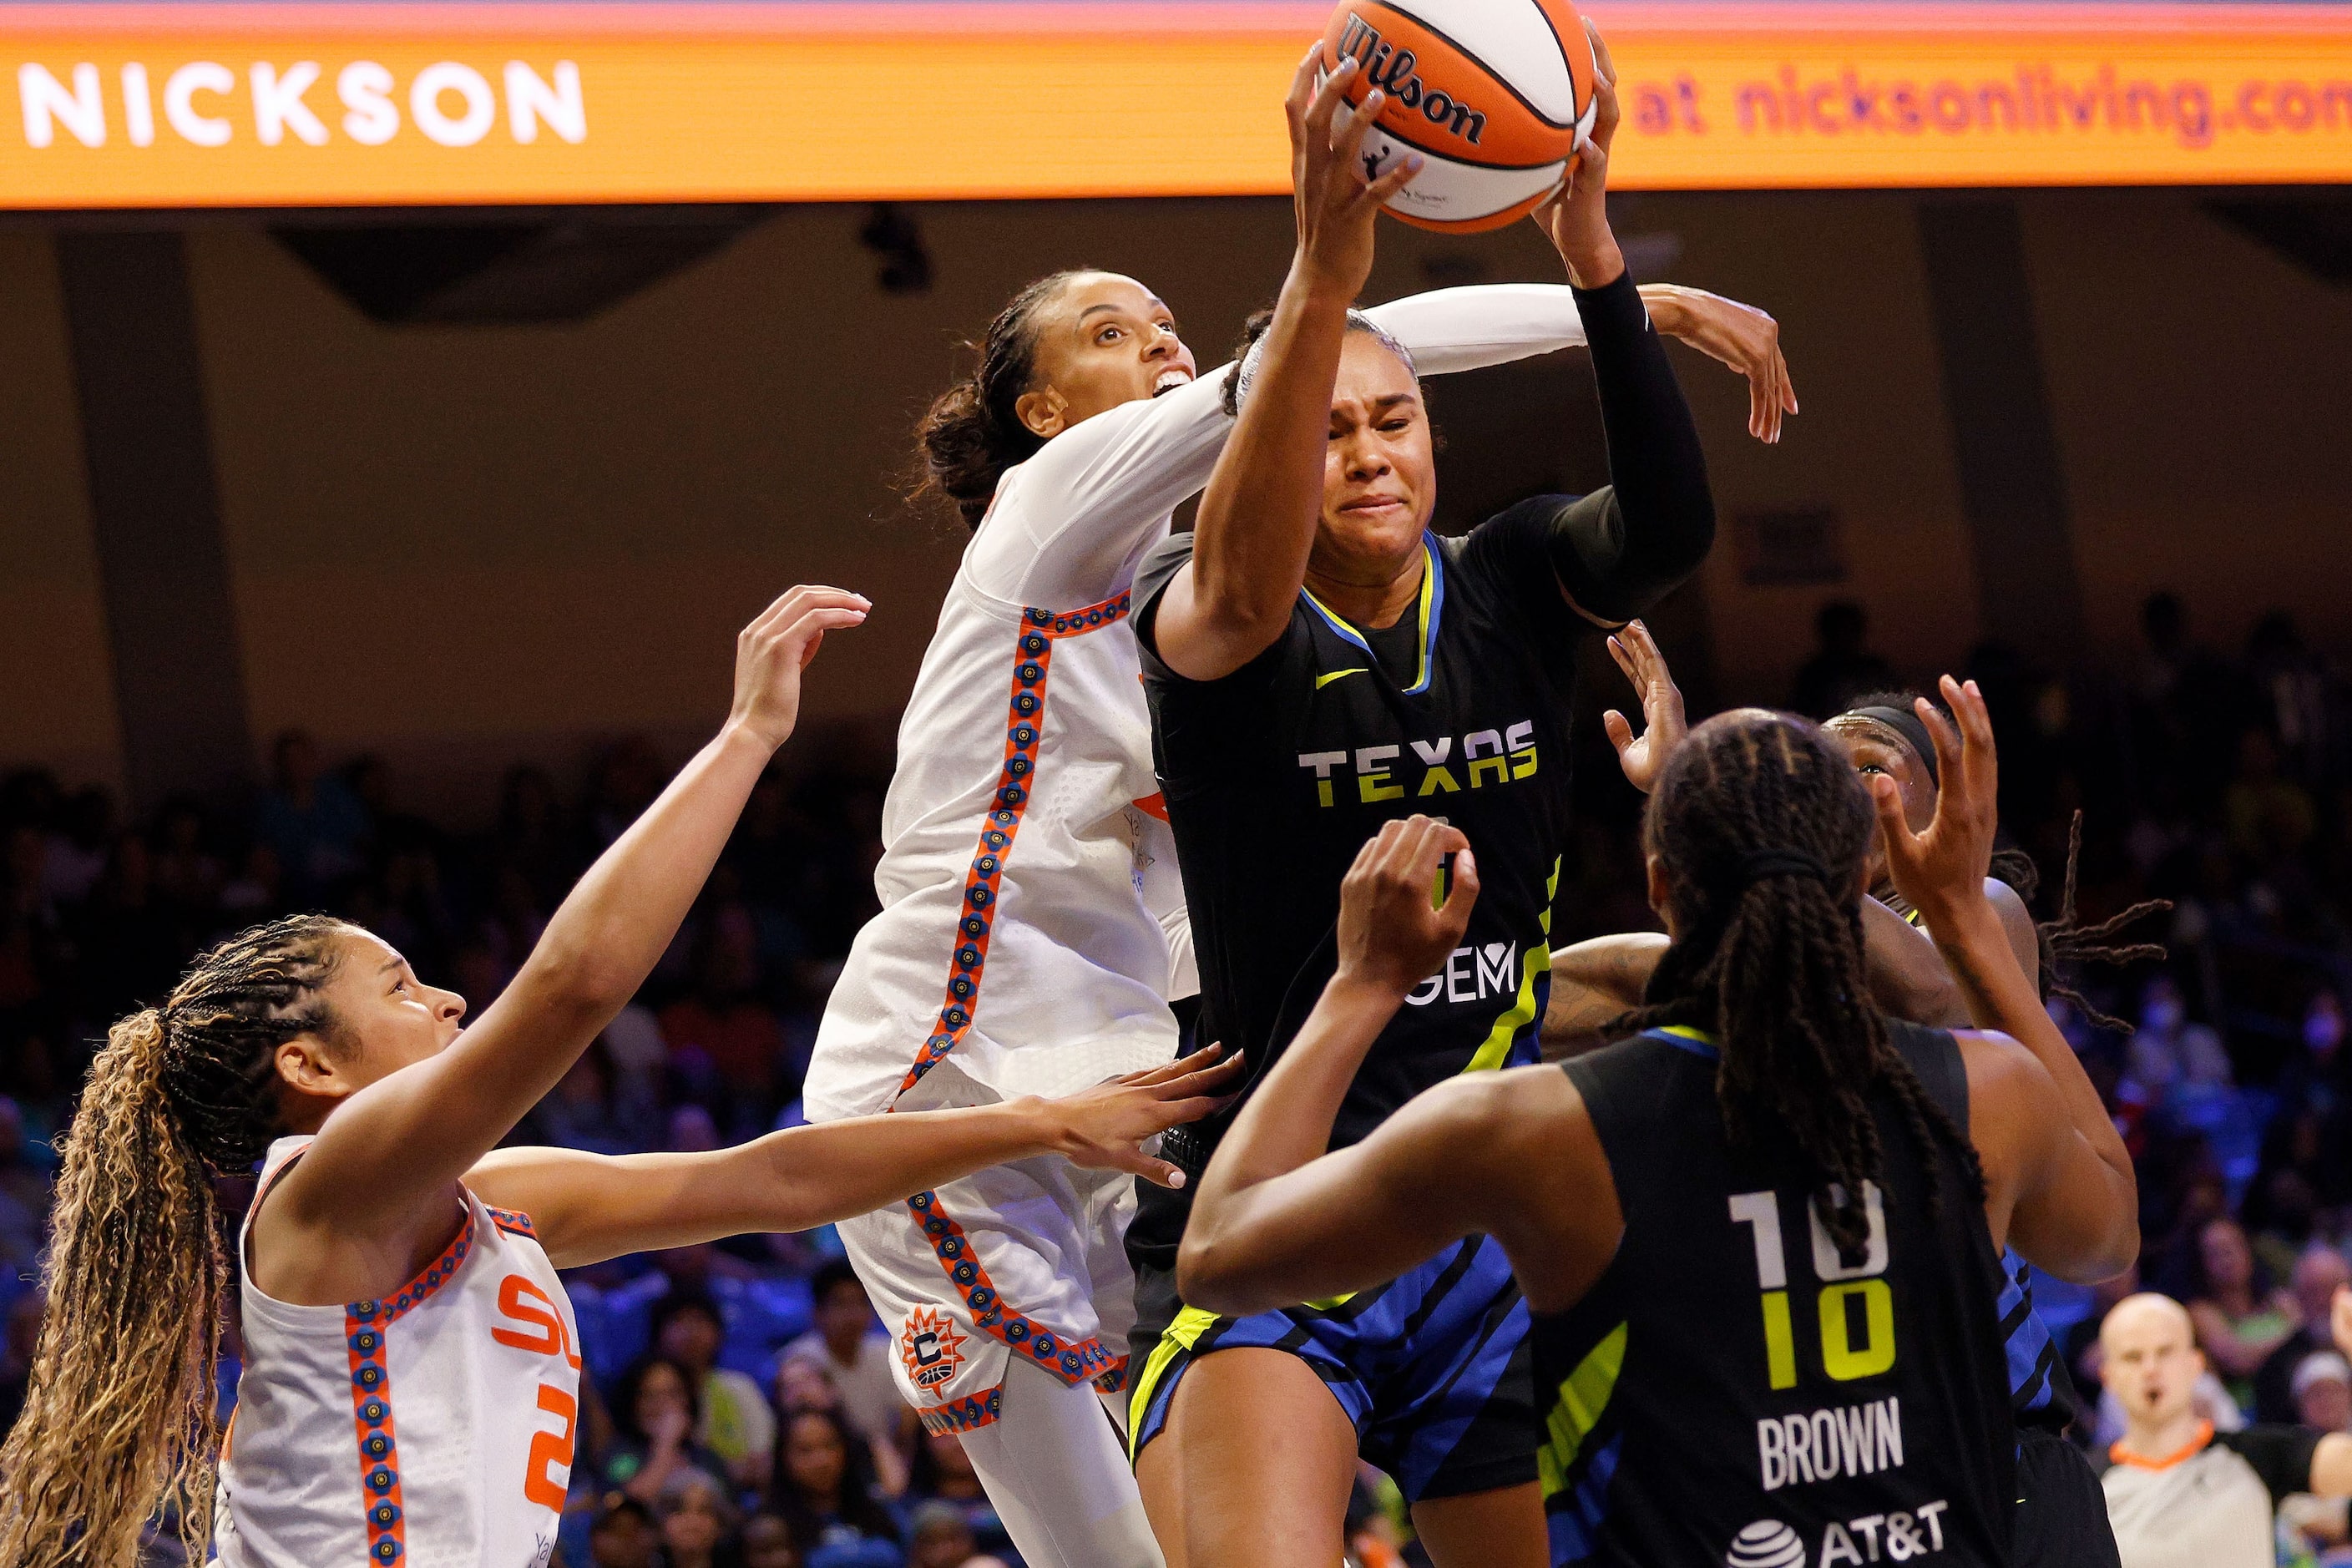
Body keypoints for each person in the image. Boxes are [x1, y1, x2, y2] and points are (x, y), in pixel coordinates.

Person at [799, 41, 1793, 1568]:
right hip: (954, 1067)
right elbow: (1335, 338)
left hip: (1128, 1072)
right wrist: (1632, 303)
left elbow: (1358, 350)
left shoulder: (1204, 577)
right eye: (1112, 332)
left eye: (1166, 324)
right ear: (1045, 410)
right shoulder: (1045, 513)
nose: (1161, 343)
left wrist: (1608, 288)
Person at [0, 586, 1242, 1568]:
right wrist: (749, 734)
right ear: (309, 1064)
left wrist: (1032, 1120)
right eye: (399, 987)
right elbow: (573, 989)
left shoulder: (486, 1201)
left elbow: (778, 1175)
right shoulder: (329, 1190)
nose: (442, 999)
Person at [1125, 33, 1723, 1566]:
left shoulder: (1516, 575)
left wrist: (1593, 261)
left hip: (1480, 1207)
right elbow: (1244, 574)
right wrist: (1321, 277)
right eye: (1324, 428)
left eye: (1390, 420)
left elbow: (1667, 518)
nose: (1367, 451)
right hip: (1279, 1198)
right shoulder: (1213, 628)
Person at [1177, 680, 2142, 1566]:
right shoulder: (1990, 1094)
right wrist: (1960, 911)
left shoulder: (1542, 1129)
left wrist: (1362, 986)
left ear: (1661, 884)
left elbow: (1218, 1255)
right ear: (1857, 871)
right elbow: (2108, 1236)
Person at [2098, 1290, 2352, 1568]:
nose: (2151, 1369)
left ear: (2196, 1365)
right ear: (2108, 1376)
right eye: (2133, 1357)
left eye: (2165, 1352)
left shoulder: (2256, 1454)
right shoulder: (2084, 1482)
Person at [784, 1260, 914, 1459]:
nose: (853, 1315)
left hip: (885, 1460)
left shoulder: (889, 1352)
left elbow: (907, 1427)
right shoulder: (799, 1361)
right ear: (817, 1313)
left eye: (861, 1302)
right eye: (840, 1304)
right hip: (832, 1462)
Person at [656, 1289, 779, 1490]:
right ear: (659, 1333)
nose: (690, 1331)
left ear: (718, 1332)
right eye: (678, 1321)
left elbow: (761, 1462)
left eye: (699, 1320)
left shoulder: (740, 1387)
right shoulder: (648, 1391)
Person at [2187, 1216, 2303, 1412]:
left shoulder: (2280, 1301)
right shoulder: (2202, 1312)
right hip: (2243, 1415)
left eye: (2234, 1247)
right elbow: (2239, 1360)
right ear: (2202, 1263)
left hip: (2295, 1406)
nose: (2229, 1259)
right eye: (2217, 1253)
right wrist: (2291, 1336)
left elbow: (2307, 1346)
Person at [772, 1407, 906, 1568]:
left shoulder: (881, 1512)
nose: (822, 1461)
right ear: (784, 1458)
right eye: (806, 1450)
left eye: (829, 1445)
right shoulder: (772, 1527)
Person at [603, 1353, 732, 1504]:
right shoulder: (621, 1456)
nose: (662, 1404)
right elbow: (628, 1505)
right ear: (633, 1403)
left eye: (672, 1394)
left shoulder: (707, 1458)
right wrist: (667, 1442)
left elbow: (732, 1514)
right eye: (649, 1395)